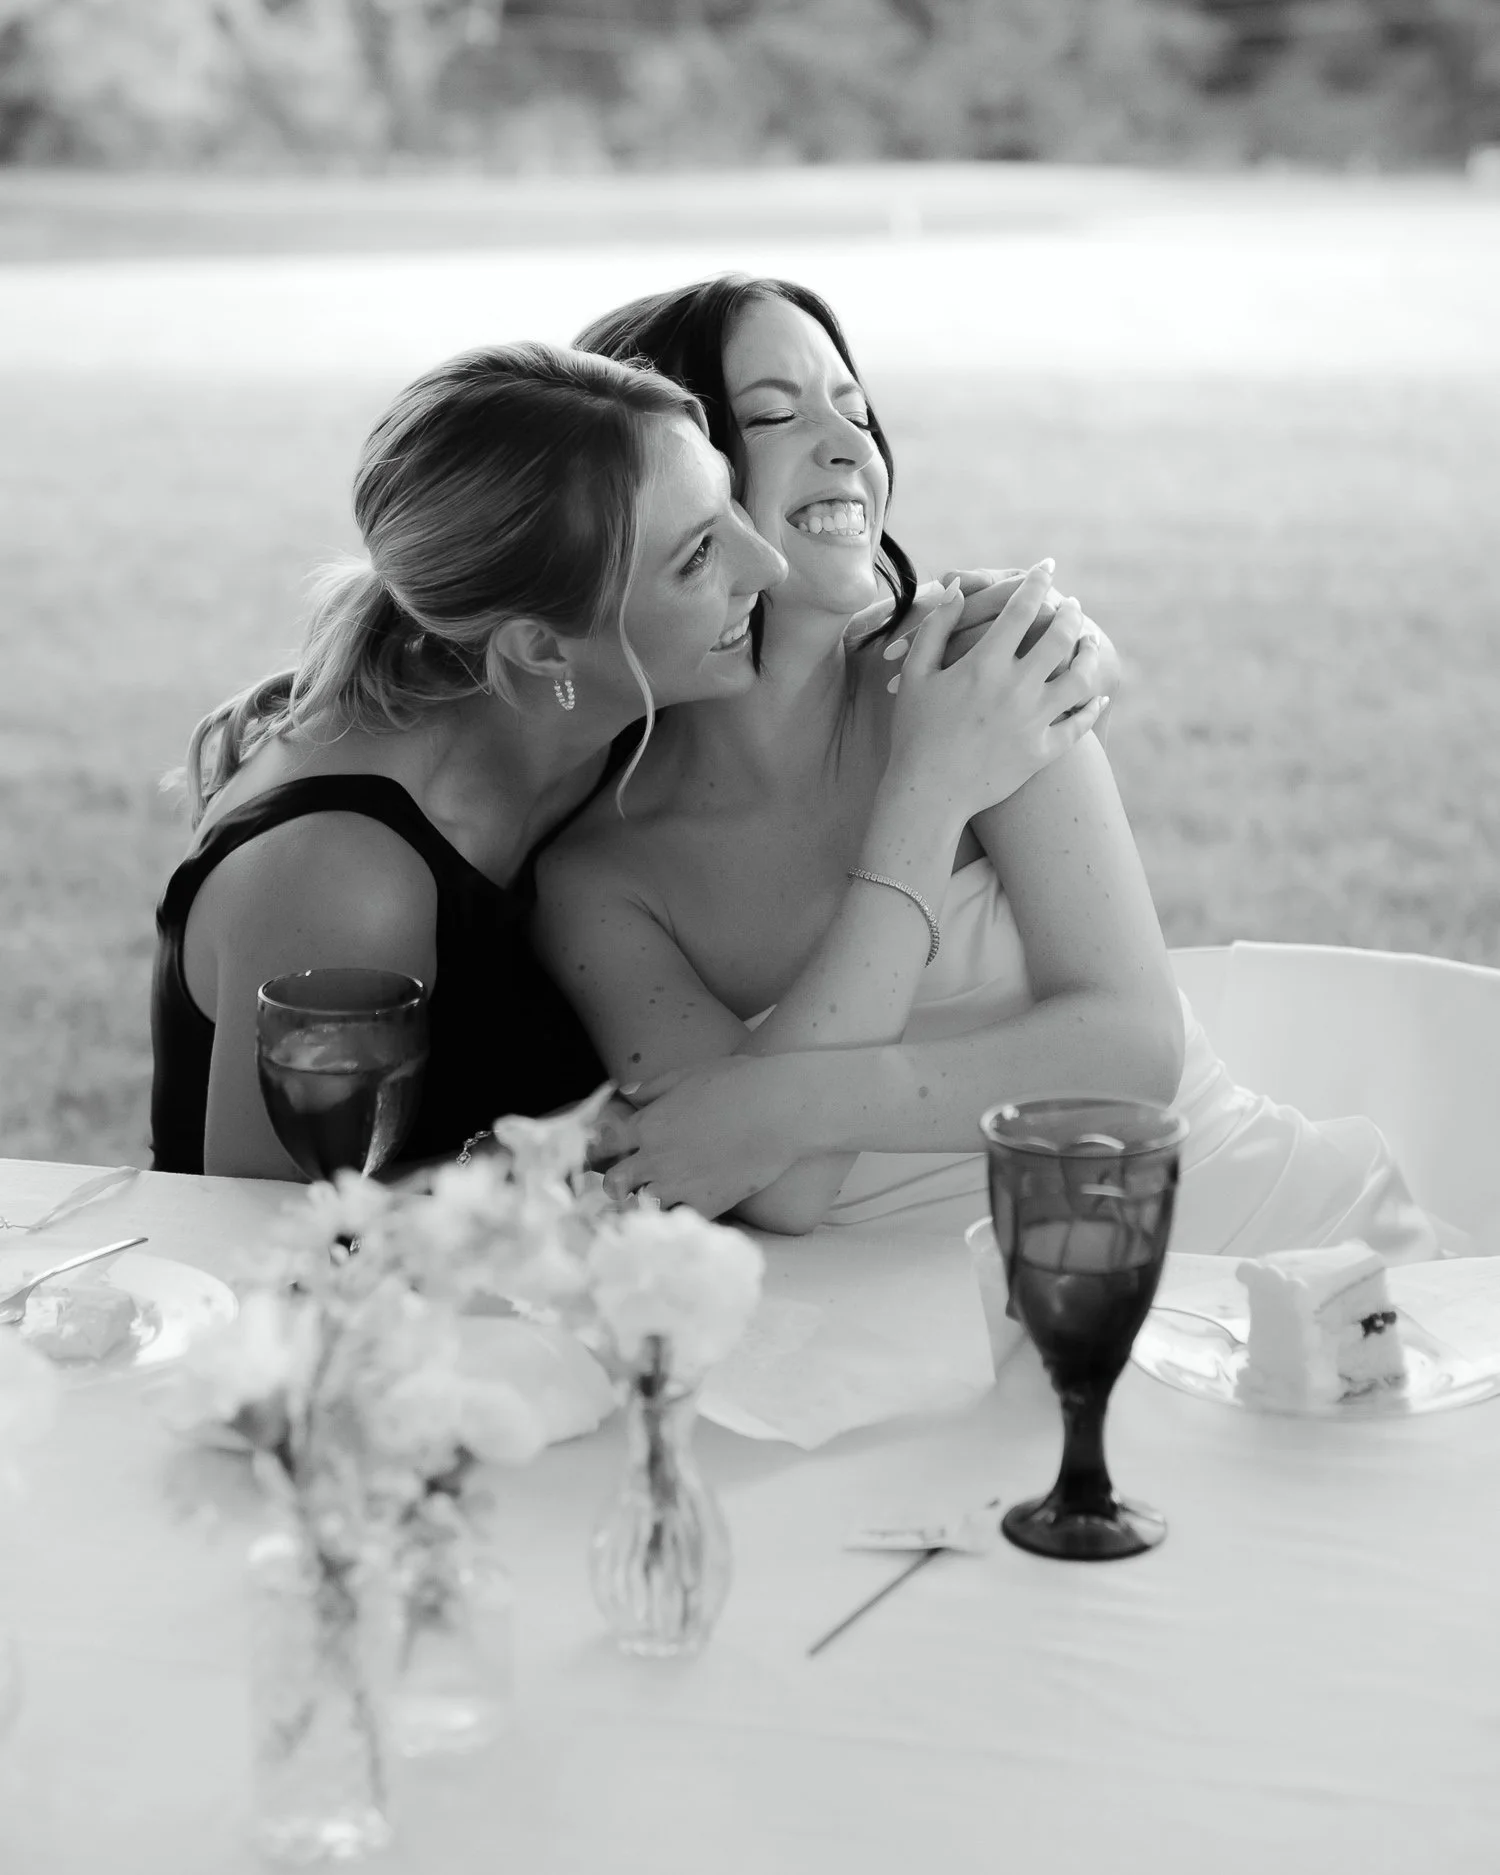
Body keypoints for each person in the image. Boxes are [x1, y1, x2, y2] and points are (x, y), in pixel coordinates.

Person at [540, 276, 1455, 1265]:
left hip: (1228, 1237)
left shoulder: (979, 668)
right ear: (673, 485)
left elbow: (1131, 1050)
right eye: (773, 414)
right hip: (897, 1328)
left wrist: (777, 1096)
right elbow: (784, 1189)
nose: (850, 446)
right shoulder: (601, 879)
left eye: (854, 408)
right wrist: (928, 797)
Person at [150, 340, 788, 1178]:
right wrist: (551, 1149)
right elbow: (264, 1248)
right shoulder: (343, 878)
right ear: (540, 648)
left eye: (730, 504)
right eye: (699, 553)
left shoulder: (626, 715)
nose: (766, 564)